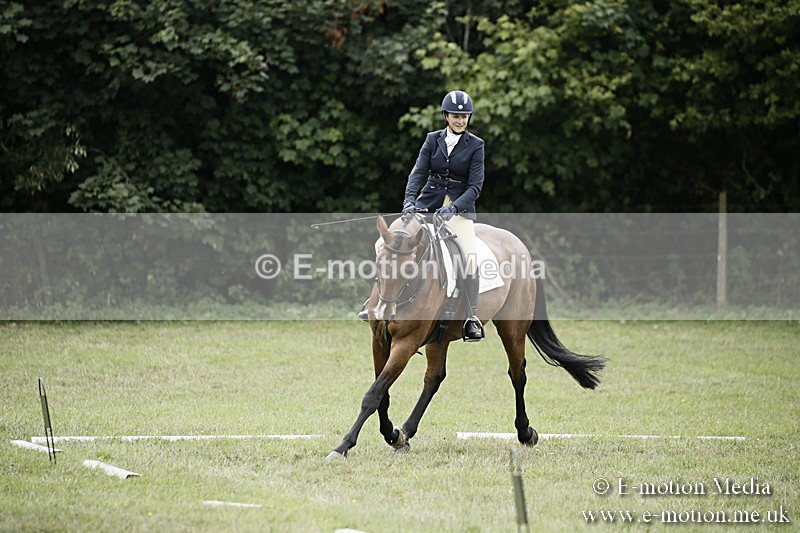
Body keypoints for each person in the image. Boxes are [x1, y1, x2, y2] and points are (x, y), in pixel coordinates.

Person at [358, 90, 485, 341]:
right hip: (426, 204)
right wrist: (409, 202)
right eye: (455, 116)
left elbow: (475, 187)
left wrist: (453, 208)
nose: (460, 120)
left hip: (458, 210)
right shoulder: (432, 140)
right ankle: (376, 301)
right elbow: (417, 173)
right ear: (445, 116)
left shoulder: (477, 145)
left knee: (469, 256)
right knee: (382, 243)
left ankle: (471, 317)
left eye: (464, 116)